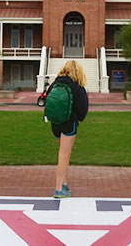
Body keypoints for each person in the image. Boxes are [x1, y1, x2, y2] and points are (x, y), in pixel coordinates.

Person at [45, 60, 89, 198]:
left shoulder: (55, 84)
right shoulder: (78, 87)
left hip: (55, 123)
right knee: (63, 155)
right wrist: (78, 118)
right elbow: (83, 109)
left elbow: (48, 101)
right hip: (69, 124)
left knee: (64, 154)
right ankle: (58, 189)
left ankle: (64, 184)